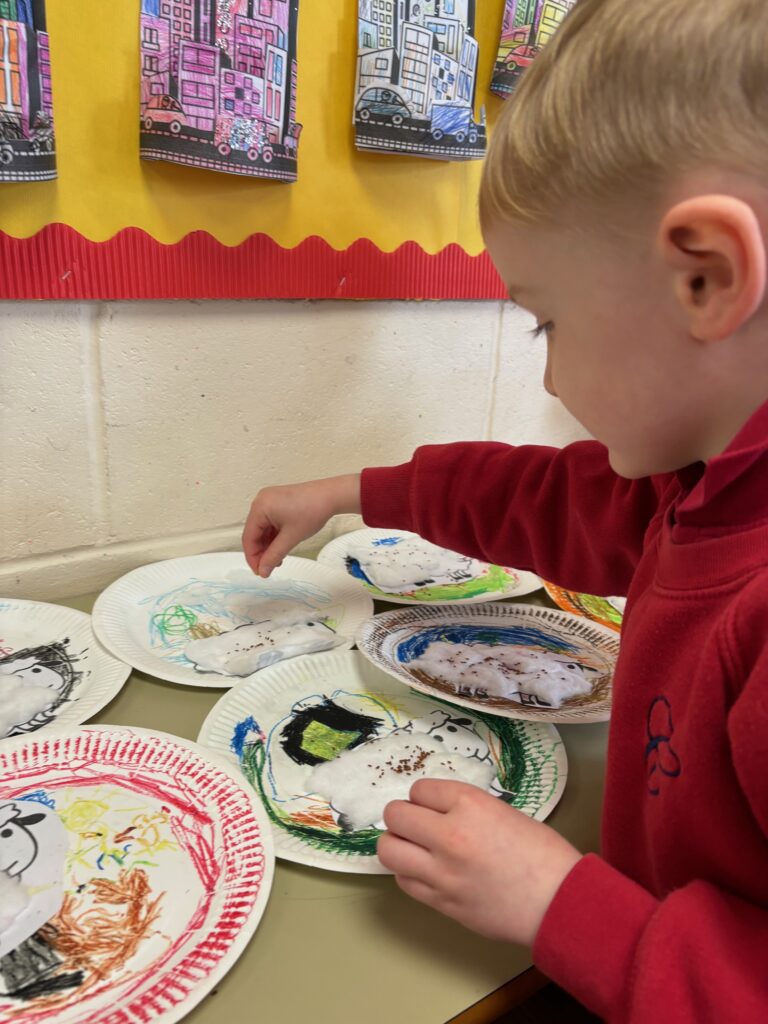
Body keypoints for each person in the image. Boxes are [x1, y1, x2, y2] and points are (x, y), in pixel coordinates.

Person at [242, 0, 768, 1018]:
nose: (555, 376)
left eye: (548, 323)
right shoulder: (703, 481)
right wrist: (350, 493)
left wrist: (559, 904)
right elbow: (546, 498)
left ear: (706, 274)